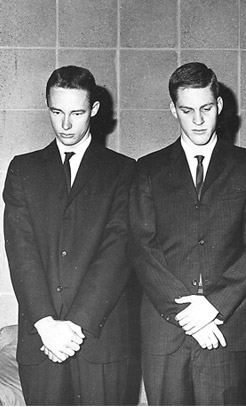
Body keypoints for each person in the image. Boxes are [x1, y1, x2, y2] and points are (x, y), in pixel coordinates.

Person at [129, 62, 246, 405]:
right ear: (172, 110)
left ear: (219, 106)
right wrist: (186, 314)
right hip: (167, 331)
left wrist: (214, 307)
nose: (198, 120)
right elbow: (142, 248)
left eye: (206, 109)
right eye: (187, 110)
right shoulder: (147, 169)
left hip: (226, 327)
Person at [4, 65, 138, 405]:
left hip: (101, 340)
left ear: (94, 110)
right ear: (47, 106)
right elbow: (21, 251)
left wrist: (76, 325)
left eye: (77, 113)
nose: (65, 125)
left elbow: (118, 250)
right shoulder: (23, 169)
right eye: (57, 112)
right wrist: (47, 325)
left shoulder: (123, 171)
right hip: (42, 341)